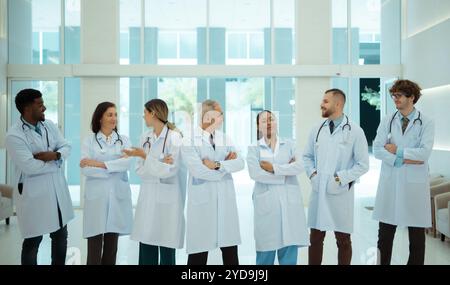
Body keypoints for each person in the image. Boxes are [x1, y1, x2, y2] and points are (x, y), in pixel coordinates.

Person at [5, 89, 74, 265]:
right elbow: (29, 166)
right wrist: (56, 161)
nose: (44, 107)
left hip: (56, 193)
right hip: (34, 195)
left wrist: (55, 156)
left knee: (60, 237)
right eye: (39, 104)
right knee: (32, 242)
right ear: (27, 108)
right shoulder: (14, 135)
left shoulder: (48, 125)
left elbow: (66, 146)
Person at [302, 88, 369, 265]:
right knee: (315, 238)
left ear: (338, 104)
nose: (321, 104)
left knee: (343, 240)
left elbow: (363, 164)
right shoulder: (317, 129)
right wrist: (313, 174)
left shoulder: (355, 131)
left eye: (325, 101)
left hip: (340, 194)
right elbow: (306, 157)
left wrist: (340, 178)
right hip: (319, 191)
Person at [372, 79, 435, 265]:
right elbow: (377, 148)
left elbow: (424, 153)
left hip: (414, 187)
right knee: (384, 236)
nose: (395, 99)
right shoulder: (388, 120)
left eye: (399, 95)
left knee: (416, 239)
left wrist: (396, 150)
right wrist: (401, 159)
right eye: (393, 95)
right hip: (391, 183)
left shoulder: (426, 122)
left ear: (412, 97)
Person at [181, 100, 244, 265]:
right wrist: (225, 169)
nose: (222, 117)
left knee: (230, 252)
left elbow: (240, 163)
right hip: (203, 203)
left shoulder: (225, 137)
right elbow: (197, 171)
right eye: (220, 113)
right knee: (198, 255)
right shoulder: (188, 140)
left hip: (225, 200)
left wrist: (217, 165)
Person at [124, 99, 185, 265]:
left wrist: (147, 158)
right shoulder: (145, 137)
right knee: (147, 242)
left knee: (166, 245)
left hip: (168, 201)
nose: (143, 116)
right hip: (148, 197)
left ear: (154, 113)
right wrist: (159, 161)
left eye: (145, 112)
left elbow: (171, 170)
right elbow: (139, 170)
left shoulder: (175, 137)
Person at [247, 110, 309, 265]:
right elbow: (256, 174)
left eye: (271, 119)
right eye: (263, 121)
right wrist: (286, 170)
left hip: (290, 205)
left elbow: (301, 165)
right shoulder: (254, 148)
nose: (268, 123)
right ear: (257, 126)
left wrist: (274, 168)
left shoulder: (290, 144)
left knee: (289, 253)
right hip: (267, 206)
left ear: (276, 122)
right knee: (264, 258)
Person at [80, 102, 133, 265]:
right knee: (94, 243)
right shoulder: (89, 141)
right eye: (109, 115)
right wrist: (114, 166)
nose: (114, 118)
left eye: (115, 115)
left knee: (112, 244)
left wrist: (100, 164)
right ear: (100, 118)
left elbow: (128, 163)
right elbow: (86, 169)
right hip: (97, 197)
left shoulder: (124, 140)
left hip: (117, 196)